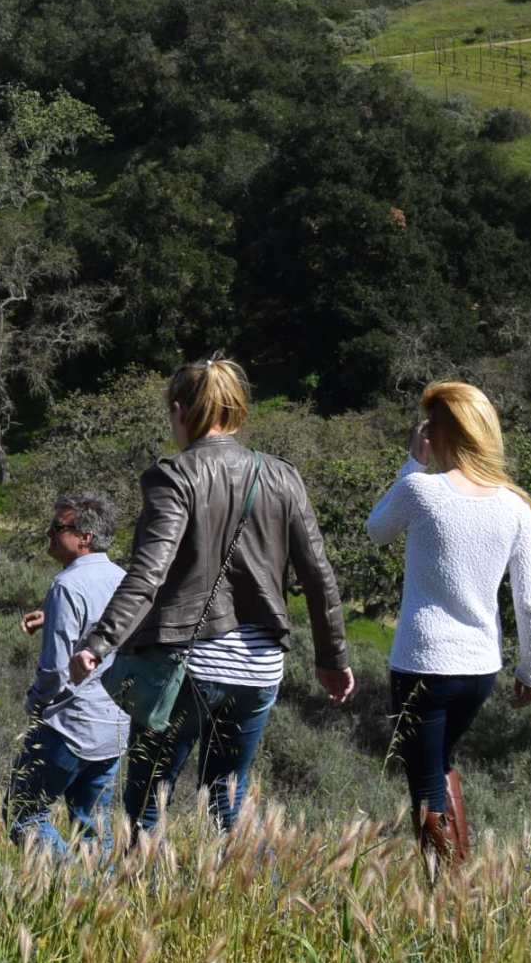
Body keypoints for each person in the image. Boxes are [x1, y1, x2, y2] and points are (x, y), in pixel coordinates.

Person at [70, 356, 356, 837]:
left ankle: (145, 903)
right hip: (260, 667)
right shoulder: (283, 476)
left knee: (147, 805)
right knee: (227, 802)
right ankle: (257, 902)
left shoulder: (174, 476)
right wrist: (332, 657)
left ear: (180, 411)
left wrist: (99, 642)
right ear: (237, 408)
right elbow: (319, 575)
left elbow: (148, 572)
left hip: (188, 665)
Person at [366, 380, 531, 873]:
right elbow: (529, 603)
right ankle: (454, 882)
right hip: (479, 669)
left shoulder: (420, 489)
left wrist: (412, 463)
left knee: (423, 785)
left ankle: (447, 891)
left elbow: (376, 530)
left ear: (438, 432)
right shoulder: (514, 507)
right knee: (439, 764)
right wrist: (530, 672)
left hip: (422, 663)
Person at [5, 492, 130, 857]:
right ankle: (98, 900)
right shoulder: (125, 580)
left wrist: (36, 702)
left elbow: (54, 670)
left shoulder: (66, 586)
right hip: (115, 726)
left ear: (84, 536)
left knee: (24, 814)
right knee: (92, 825)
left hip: (69, 724)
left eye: (57, 527)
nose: (48, 533)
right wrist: (51, 615)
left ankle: (69, 884)